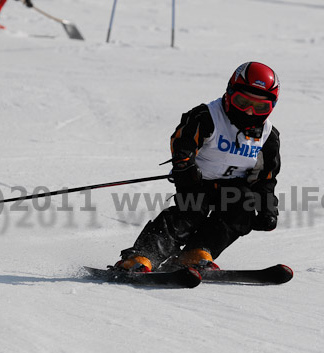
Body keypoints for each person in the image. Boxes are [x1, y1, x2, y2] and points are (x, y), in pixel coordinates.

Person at [114, 61, 282, 273]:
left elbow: (266, 178)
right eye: (242, 102)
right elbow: (182, 142)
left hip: (234, 189)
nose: (249, 112)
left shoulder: (268, 137)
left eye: (259, 107)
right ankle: (143, 256)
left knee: (243, 210)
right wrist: (184, 167)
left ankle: (195, 253)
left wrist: (268, 208)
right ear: (230, 93)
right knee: (190, 211)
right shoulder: (208, 116)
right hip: (197, 181)